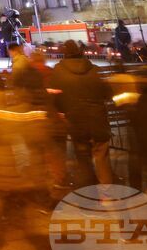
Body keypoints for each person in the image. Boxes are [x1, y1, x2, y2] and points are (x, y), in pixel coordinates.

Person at [48, 40, 113, 187]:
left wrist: (63, 110)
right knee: (102, 156)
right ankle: (108, 195)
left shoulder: (58, 72)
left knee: (82, 156)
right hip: (98, 118)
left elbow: (55, 96)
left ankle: (89, 192)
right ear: (80, 52)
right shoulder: (95, 69)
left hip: (76, 119)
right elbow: (107, 93)